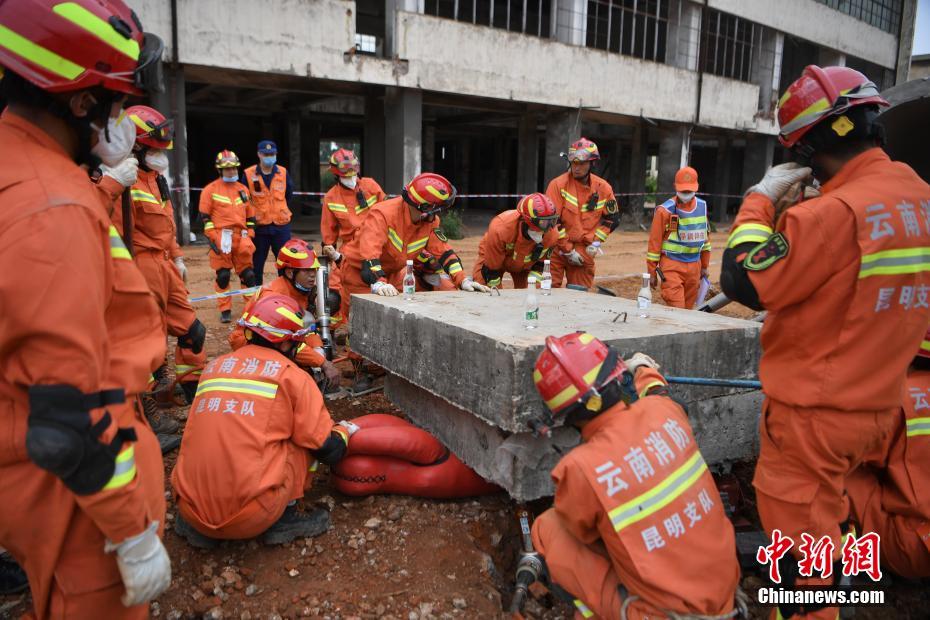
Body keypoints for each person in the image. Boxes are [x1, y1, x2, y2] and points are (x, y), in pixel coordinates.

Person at [721, 65, 930, 619]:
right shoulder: (921, 199)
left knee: (802, 568)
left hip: (815, 418)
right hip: (884, 407)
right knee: (835, 516)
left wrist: (759, 202)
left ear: (810, 146)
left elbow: (742, 277)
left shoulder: (829, 216)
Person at [0, 1, 172, 616]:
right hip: (81, 506)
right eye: (116, 104)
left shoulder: (19, 170)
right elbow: (68, 417)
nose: (122, 120)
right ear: (80, 104)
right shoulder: (55, 208)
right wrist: (130, 533)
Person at [529, 333, 741, 618]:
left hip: (666, 614)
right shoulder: (664, 411)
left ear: (564, 414)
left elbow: (582, 532)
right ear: (617, 376)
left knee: (547, 527)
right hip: (727, 595)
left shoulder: (581, 468)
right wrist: (641, 367)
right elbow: (657, 392)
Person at [172, 294, 357, 547]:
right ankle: (286, 516)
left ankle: (203, 520)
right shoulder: (292, 377)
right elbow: (328, 449)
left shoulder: (213, 368)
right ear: (284, 344)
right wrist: (344, 431)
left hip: (190, 510)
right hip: (253, 515)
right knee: (300, 439)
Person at [337, 172, 490, 320]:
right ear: (424, 208)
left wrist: (463, 280)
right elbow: (369, 255)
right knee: (361, 325)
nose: (439, 213)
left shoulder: (430, 221)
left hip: (394, 274)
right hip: (360, 276)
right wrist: (379, 282)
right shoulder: (382, 215)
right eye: (438, 208)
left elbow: (443, 251)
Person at [845, 329, 930, 579]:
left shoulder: (902, 396)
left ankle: (836, 555)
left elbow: (848, 448)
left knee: (828, 467)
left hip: (914, 547)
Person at [229, 239, 342, 390]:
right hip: (250, 343)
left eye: (313, 270)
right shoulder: (274, 297)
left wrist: (318, 350)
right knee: (296, 377)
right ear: (290, 272)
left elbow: (304, 329)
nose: (312, 275)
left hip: (279, 340)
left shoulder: (298, 291)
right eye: (306, 271)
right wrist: (322, 363)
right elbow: (286, 343)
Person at [545, 138, 620, 289]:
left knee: (579, 295)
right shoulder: (558, 185)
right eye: (574, 163)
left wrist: (597, 242)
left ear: (592, 164)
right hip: (556, 246)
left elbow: (613, 219)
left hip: (584, 249)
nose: (576, 168)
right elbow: (552, 222)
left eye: (582, 163)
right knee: (548, 291)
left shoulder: (603, 188)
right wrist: (567, 250)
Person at [200, 149, 257, 323]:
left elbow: (251, 216)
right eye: (228, 169)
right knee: (223, 276)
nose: (232, 172)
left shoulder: (243, 189)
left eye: (234, 168)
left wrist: (250, 234)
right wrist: (213, 236)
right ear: (220, 170)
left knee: (248, 276)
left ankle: (250, 310)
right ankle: (225, 309)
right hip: (221, 237)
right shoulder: (210, 190)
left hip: (241, 238)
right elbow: (205, 217)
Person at [646, 166, 711, 308]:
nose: (686, 193)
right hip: (671, 265)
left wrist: (704, 266)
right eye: (683, 190)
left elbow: (705, 240)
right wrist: (651, 272)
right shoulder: (664, 211)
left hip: (695, 266)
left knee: (687, 312)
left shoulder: (702, 206)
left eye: (689, 190)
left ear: (696, 187)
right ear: (675, 187)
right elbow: (654, 244)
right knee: (677, 309)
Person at [473, 192, 560, 289]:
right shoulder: (500, 229)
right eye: (543, 223)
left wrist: (532, 291)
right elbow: (491, 272)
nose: (547, 228)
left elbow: (539, 267)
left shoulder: (552, 235)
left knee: (529, 294)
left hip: (525, 266)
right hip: (494, 259)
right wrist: (496, 297)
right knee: (484, 289)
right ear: (526, 220)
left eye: (552, 221)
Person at [320, 147, 386, 260]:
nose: (351, 179)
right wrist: (329, 250)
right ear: (337, 175)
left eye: (353, 175)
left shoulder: (371, 186)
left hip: (377, 243)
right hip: (350, 249)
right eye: (347, 176)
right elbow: (328, 232)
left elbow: (388, 212)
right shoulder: (331, 197)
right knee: (337, 277)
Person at [243, 140, 294, 285]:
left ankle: (285, 292)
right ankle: (257, 296)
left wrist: (278, 210)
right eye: (266, 154)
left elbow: (289, 195)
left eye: (272, 154)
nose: (269, 156)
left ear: (276, 154)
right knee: (256, 265)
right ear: (259, 154)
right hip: (259, 227)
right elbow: (244, 200)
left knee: (285, 263)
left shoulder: (283, 172)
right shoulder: (248, 174)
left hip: (281, 226)